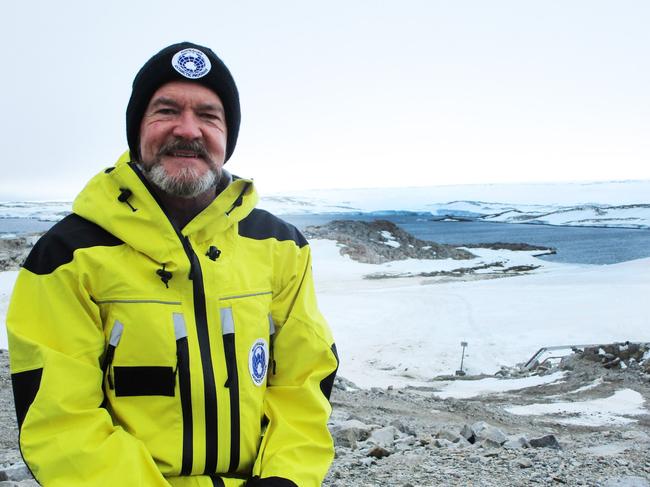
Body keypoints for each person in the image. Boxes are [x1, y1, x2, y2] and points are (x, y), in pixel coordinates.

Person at [7, 42, 339, 487]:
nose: (188, 130)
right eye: (166, 111)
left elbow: (303, 383)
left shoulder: (279, 246)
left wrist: (286, 479)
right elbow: (61, 421)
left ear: (228, 137)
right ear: (137, 129)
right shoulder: (68, 255)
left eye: (208, 115)